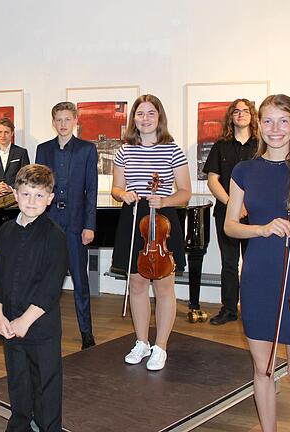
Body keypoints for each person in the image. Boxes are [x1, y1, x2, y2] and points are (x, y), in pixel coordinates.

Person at [224, 94, 290, 431]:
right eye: (267, 121)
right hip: (257, 277)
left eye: (283, 121)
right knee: (263, 368)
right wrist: (262, 228)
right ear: (259, 125)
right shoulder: (244, 171)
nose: (275, 129)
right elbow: (230, 226)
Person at [110, 94, 191, 371]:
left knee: (164, 285)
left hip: (162, 218)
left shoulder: (173, 150)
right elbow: (116, 188)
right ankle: (142, 342)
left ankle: (161, 346)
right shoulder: (124, 151)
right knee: (137, 283)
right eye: (140, 113)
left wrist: (165, 201)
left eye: (150, 113)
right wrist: (125, 194)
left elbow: (185, 192)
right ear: (133, 118)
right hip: (134, 217)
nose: (145, 119)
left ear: (159, 117)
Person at [0, 164, 68, 432]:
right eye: (26, 194)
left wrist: (25, 321)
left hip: (40, 326)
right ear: (15, 194)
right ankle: (20, 423)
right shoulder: (5, 232)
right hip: (9, 322)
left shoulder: (54, 236)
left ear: (50, 198)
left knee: (46, 384)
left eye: (40, 195)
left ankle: (48, 427)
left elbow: (50, 286)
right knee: (18, 381)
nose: (32, 202)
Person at [35, 101, 98, 349]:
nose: (63, 124)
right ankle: (44, 328)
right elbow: (38, 188)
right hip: (49, 223)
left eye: (67, 119)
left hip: (75, 224)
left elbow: (91, 190)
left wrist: (89, 225)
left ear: (75, 121)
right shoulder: (43, 150)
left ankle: (86, 333)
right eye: (58, 120)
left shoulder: (87, 150)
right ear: (53, 122)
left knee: (80, 281)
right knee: (46, 279)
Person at [202, 99, 259, 325]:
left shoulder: (261, 145)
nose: (241, 114)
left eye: (245, 111)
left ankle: (253, 308)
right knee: (229, 262)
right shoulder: (221, 146)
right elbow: (212, 180)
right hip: (226, 213)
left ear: (251, 116)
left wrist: (249, 206)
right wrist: (233, 203)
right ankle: (229, 309)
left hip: (256, 215)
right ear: (231, 117)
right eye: (237, 111)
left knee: (253, 262)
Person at [0, 117, 30, 203]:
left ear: (12, 133)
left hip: (16, 201)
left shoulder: (21, 153)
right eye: (0, 132)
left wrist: (10, 188)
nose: (3, 136)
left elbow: (26, 178)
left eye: (6, 132)